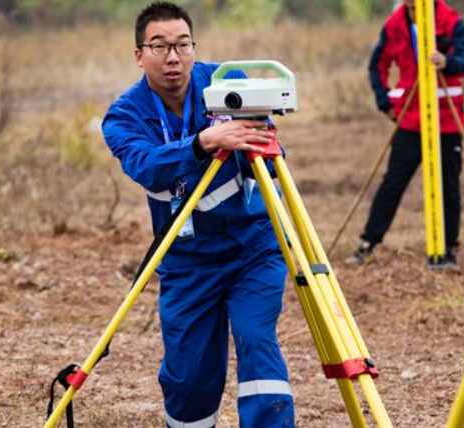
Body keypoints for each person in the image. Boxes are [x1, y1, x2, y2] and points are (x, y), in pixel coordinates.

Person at [102, 2, 295, 427]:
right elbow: (145, 165)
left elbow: (267, 142)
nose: (173, 57)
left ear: (193, 47)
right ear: (139, 54)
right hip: (188, 260)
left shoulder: (226, 83)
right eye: (159, 46)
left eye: (182, 45)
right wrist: (202, 142)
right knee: (189, 380)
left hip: (254, 248)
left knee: (256, 340)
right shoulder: (123, 116)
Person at [346, 0, 464, 271]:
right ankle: (369, 243)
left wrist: (447, 61)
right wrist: (386, 103)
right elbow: (376, 67)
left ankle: (448, 251)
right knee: (393, 182)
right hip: (411, 119)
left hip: (447, 120)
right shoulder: (394, 25)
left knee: (448, 185)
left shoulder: (451, 21)